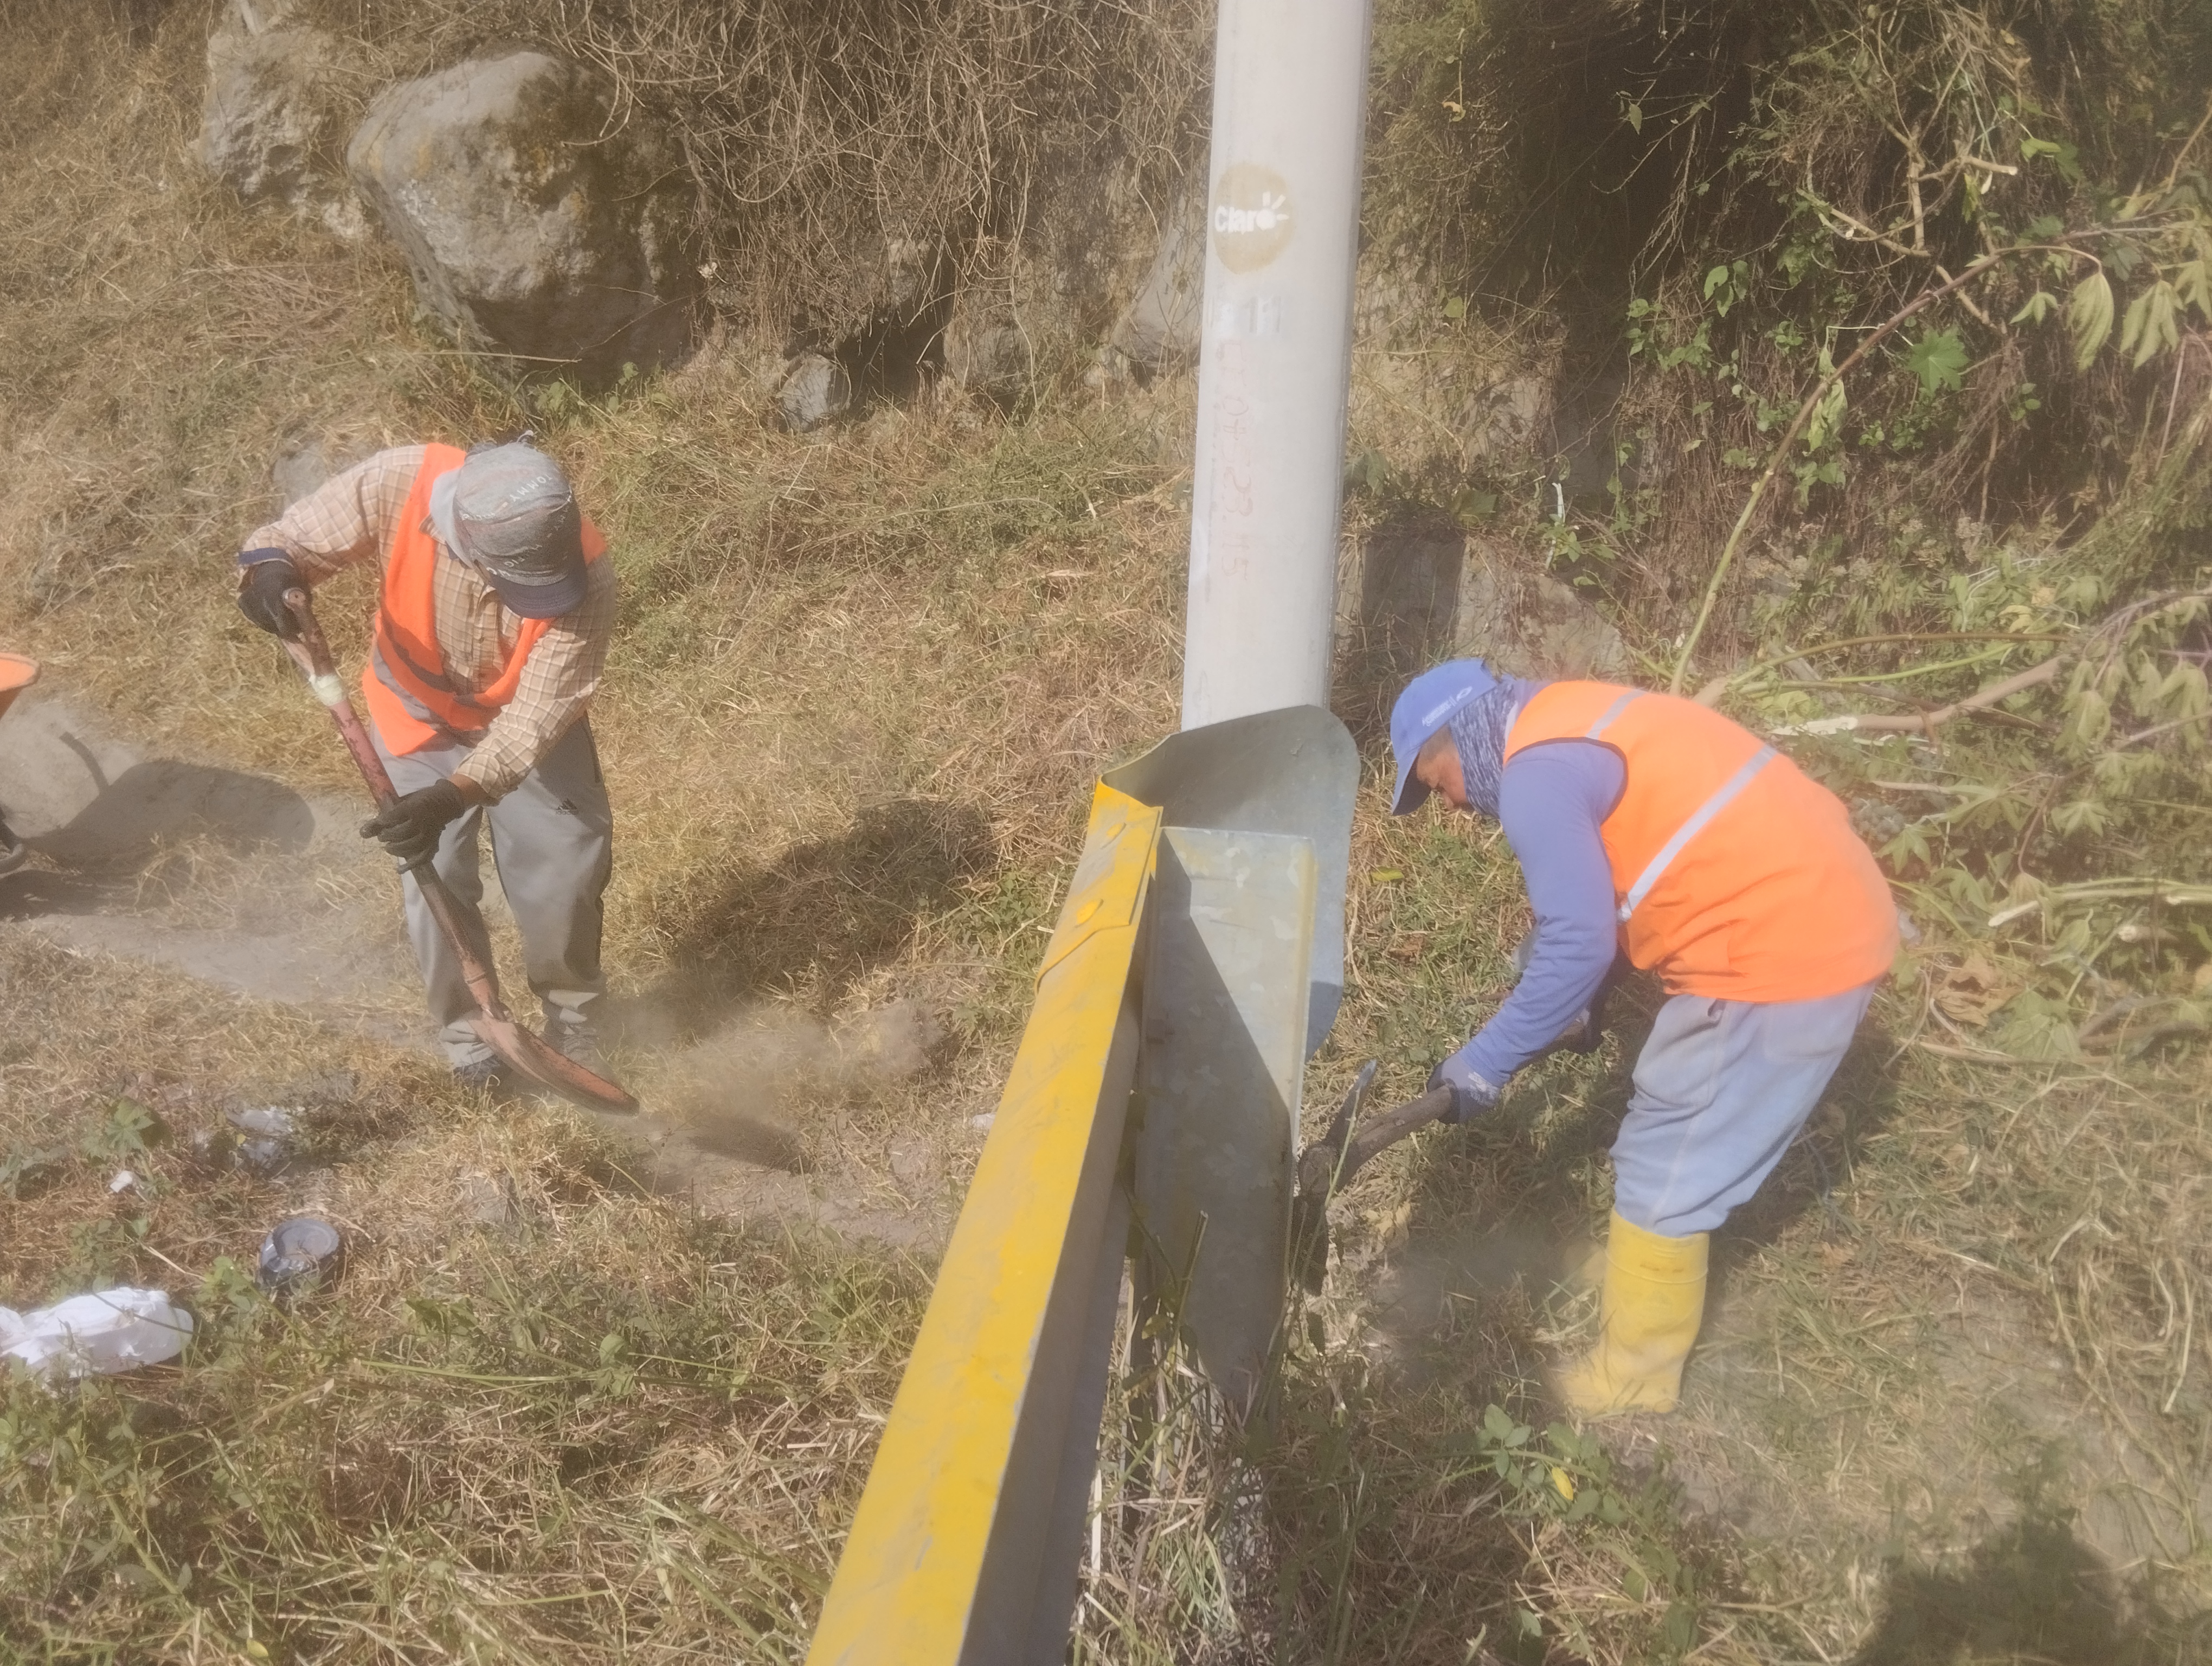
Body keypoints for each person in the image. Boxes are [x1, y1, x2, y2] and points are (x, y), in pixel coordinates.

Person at [1388, 658, 1898, 1417]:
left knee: (1669, 1162)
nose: (1456, 807)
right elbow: (1643, 854)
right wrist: (1586, 996)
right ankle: (1642, 1272)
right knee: (1666, 1139)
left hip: (1777, 955)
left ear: (1458, 737)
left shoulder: (1532, 777)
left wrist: (1484, 1067)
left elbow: (1577, 942)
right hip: (1824, 902)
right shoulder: (1569, 715)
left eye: (1438, 786)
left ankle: (1636, 1378)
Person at [232, 440, 619, 1091]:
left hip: (525, 722)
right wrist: (270, 577)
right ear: (469, 545)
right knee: (431, 873)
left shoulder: (589, 573)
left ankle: (575, 1025)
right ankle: (472, 1038)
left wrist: (452, 795)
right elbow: (283, 542)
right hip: (415, 709)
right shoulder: (403, 481)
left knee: (565, 870)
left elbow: (536, 719)